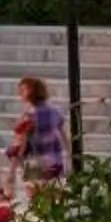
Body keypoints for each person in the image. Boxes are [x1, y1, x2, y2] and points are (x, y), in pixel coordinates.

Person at [14, 74, 69, 202]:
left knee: (35, 201)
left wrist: (18, 161)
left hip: (35, 161)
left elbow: (22, 142)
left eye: (23, 90)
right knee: (53, 200)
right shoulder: (55, 111)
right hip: (54, 160)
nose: (20, 94)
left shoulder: (28, 116)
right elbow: (64, 136)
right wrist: (68, 155)